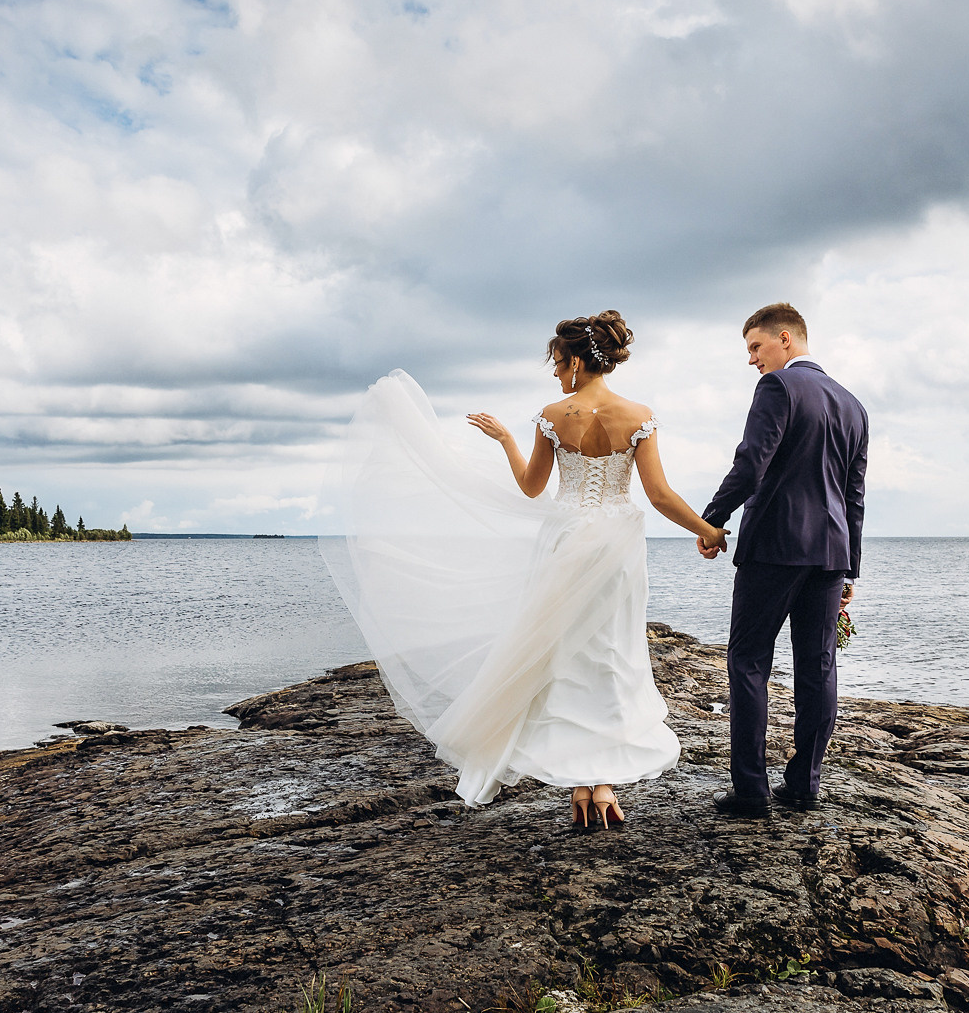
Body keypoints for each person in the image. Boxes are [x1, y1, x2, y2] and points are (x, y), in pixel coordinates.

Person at [321, 310, 724, 828]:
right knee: (611, 653)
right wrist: (707, 530)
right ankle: (602, 781)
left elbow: (532, 489)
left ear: (577, 361)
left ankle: (583, 783)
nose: (556, 374)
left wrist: (509, 441)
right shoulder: (638, 414)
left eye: (558, 364)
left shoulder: (553, 416)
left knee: (564, 657)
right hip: (617, 546)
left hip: (565, 539)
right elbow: (660, 495)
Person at [696, 302, 868, 818]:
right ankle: (805, 785)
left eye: (756, 346)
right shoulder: (853, 404)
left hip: (774, 546)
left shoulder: (778, 388)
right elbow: (854, 495)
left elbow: (752, 461)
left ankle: (751, 790)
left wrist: (711, 519)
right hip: (831, 554)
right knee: (818, 666)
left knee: (748, 662)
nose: (752, 360)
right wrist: (850, 567)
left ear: (786, 338)